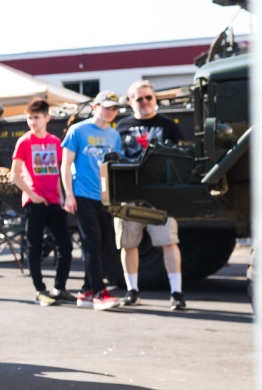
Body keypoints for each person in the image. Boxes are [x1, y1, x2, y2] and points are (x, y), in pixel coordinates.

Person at [114, 80, 187, 310]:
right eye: (139, 98)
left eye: (148, 97)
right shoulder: (120, 126)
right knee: (128, 243)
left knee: (168, 241)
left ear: (155, 99)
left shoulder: (168, 125)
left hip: (160, 195)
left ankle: (176, 293)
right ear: (131, 102)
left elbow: (181, 156)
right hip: (129, 193)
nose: (144, 102)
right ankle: (132, 291)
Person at [61, 91, 125, 311]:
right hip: (82, 195)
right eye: (106, 107)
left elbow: (116, 167)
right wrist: (69, 194)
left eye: (114, 108)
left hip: (104, 198)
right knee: (92, 242)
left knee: (104, 242)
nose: (110, 112)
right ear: (95, 107)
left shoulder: (114, 135)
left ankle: (86, 291)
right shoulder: (77, 130)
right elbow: (65, 164)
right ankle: (99, 292)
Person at [10, 98, 74, 306]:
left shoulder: (55, 142)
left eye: (36, 117)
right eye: (29, 118)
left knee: (65, 245)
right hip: (34, 200)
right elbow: (15, 175)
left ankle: (60, 287)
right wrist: (32, 195)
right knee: (34, 247)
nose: (32, 122)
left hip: (54, 201)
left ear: (47, 118)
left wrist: (62, 195)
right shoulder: (24, 142)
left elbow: (56, 171)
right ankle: (40, 290)